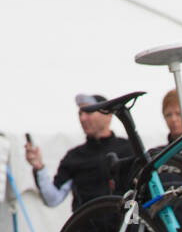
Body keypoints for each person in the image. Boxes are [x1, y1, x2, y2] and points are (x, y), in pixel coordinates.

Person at [24, 93, 132, 221]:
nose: (83, 118)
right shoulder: (74, 157)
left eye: (88, 112)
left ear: (108, 115)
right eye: (80, 113)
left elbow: (140, 196)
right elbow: (52, 199)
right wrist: (39, 167)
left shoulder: (129, 149)